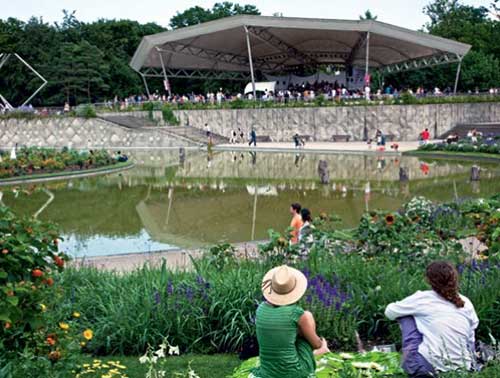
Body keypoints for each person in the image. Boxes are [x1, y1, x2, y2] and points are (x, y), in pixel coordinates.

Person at [385, 261, 478, 376]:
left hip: (426, 368)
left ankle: (410, 361)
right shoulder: (466, 302)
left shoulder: (422, 298)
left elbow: (389, 312)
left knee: (406, 315)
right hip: (464, 367)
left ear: (428, 280)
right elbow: (471, 336)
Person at [250, 265, 329, 378]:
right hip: (293, 373)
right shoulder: (297, 313)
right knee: (308, 317)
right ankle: (318, 353)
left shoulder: (261, 309)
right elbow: (316, 344)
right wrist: (322, 345)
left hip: (268, 371)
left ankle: (311, 353)